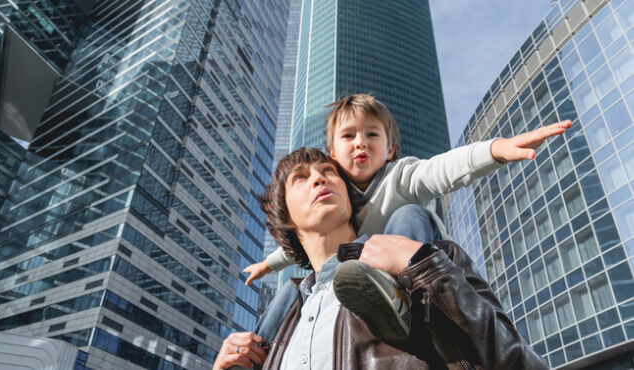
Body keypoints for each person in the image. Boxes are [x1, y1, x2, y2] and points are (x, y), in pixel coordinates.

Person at [244, 93, 571, 340]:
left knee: (408, 213)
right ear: (333, 154)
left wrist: (496, 151)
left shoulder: (400, 175)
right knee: (296, 286)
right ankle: (257, 348)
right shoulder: (336, 195)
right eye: (348, 136)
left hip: (415, 259)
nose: (361, 143)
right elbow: (304, 239)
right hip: (363, 271)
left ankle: (399, 297)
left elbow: (443, 169)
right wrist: (268, 264)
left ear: (389, 149)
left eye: (372, 135)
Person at [213, 148, 547, 370]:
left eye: (329, 172)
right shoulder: (282, 322)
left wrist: (424, 267)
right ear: (283, 216)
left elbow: (516, 363)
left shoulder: (430, 259)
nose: (319, 178)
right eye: (301, 178)